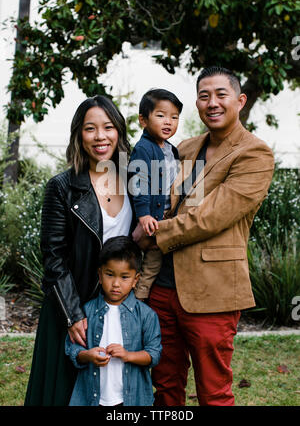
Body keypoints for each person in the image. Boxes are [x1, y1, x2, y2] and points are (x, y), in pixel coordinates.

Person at [134, 66, 275, 406]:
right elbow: (158, 196)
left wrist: (153, 235)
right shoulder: (183, 148)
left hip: (212, 292)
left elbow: (210, 218)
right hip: (162, 289)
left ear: (240, 101)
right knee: (166, 390)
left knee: (213, 393)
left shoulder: (254, 154)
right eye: (203, 96)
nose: (212, 103)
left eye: (220, 95)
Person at [25, 95, 133, 406]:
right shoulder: (62, 186)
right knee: (64, 394)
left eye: (108, 127)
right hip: (74, 308)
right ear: (78, 135)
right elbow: (54, 258)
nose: (101, 136)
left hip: (118, 308)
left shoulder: (133, 180)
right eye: (90, 129)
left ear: (119, 132)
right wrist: (73, 315)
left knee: (113, 396)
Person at [65, 236, 162, 406]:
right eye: (110, 275)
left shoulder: (146, 315)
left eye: (124, 277)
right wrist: (87, 355)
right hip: (93, 397)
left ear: (135, 280)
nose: (116, 283)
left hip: (131, 399)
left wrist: (127, 355)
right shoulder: (86, 311)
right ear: (100, 275)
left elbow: (154, 354)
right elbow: (72, 348)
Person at [128, 88, 182, 300]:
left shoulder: (170, 149)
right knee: (150, 262)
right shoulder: (144, 148)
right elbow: (138, 182)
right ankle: (138, 300)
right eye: (160, 115)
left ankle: (141, 298)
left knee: (155, 261)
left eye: (174, 117)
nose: (168, 122)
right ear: (143, 120)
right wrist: (143, 215)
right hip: (151, 218)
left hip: (166, 218)